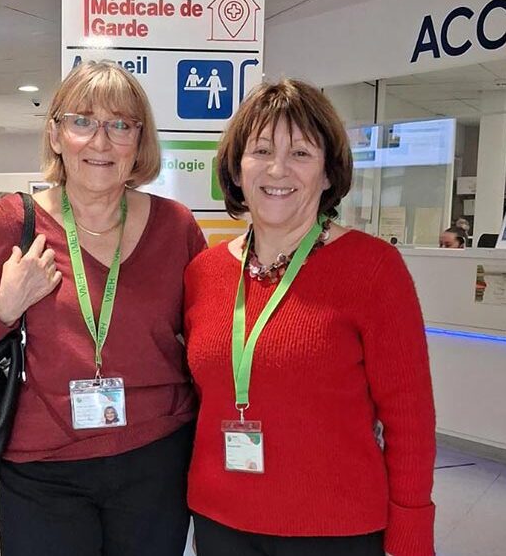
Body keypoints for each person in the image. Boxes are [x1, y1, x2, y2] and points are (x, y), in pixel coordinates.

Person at [0, 60, 206, 556]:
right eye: (83, 122)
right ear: (56, 135)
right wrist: (3, 306)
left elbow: (209, 341)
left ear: (138, 142)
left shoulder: (176, 227)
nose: (100, 142)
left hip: (155, 461)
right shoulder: (16, 221)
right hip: (44, 472)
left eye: (120, 125)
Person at [184, 79, 436, 556]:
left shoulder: (373, 269)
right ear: (237, 170)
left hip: (334, 530)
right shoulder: (204, 274)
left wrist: (411, 530)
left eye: (300, 153)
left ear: (327, 174)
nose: (278, 169)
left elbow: (410, 417)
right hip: (221, 523)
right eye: (260, 150)